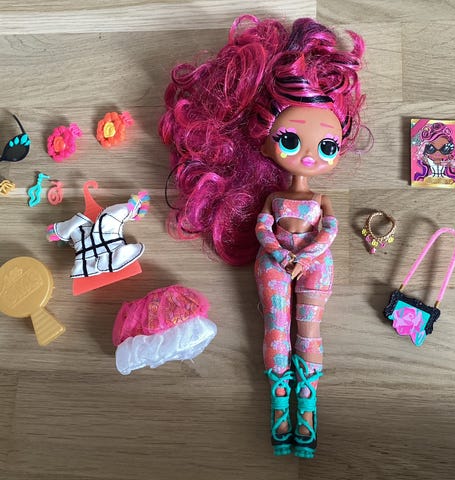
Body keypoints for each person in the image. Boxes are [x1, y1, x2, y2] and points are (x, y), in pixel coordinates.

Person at [159, 14, 365, 458]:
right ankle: (279, 403)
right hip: (274, 261)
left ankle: (306, 407)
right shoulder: (273, 199)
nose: (309, 156)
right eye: (290, 140)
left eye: (326, 147)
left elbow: (329, 229)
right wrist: (282, 253)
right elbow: (262, 228)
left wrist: (305, 256)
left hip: (312, 264)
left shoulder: (320, 199)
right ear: (264, 138)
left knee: (309, 327)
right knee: (275, 325)